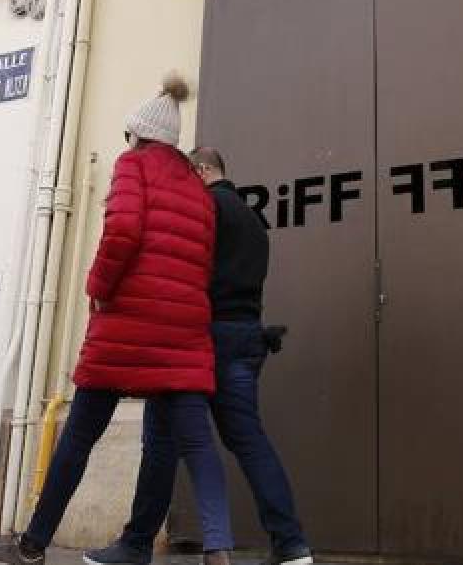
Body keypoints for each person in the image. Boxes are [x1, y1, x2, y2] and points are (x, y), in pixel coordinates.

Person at [0, 75, 234, 565]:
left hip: (127, 327)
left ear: (138, 135)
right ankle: (217, 547)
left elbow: (122, 231)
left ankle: (32, 545)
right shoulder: (198, 190)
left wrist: (97, 288)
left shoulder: (132, 165)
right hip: (181, 331)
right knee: (192, 443)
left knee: (80, 433)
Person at [84, 147, 313, 565]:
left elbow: (186, 269)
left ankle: (135, 544)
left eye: (190, 175)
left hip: (202, 336)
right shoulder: (254, 220)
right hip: (247, 337)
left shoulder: (205, 207)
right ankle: (291, 543)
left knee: (160, 439)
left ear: (202, 171)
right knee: (248, 440)